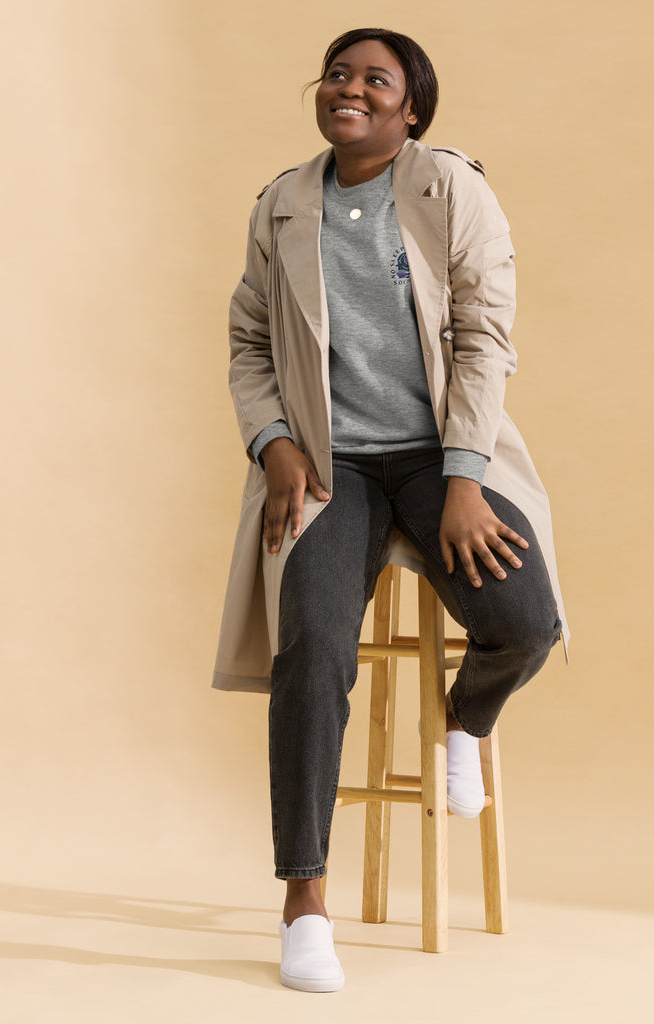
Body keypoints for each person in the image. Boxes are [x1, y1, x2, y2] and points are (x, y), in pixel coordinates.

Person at [214, 27, 569, 992]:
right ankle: (304, 902)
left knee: (525, 622)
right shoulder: (284, 203)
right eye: (339, 74)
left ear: (412, 109)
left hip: (444, 452)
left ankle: (465, 722)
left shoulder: (452, 189)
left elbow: (485, 335)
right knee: (315, 647)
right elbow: (249, 339)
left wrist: (462, 480)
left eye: (378, 80)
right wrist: (274, 444)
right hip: (332, 469)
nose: (352, 90)